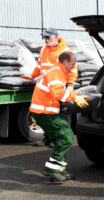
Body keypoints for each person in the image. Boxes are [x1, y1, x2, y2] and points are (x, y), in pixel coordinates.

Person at [29, 51, 89, 183]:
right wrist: (74, 97)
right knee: (67, 137)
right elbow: (57, 94)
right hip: (45, 113)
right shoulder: (57, 72)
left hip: (43, 112)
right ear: (65, 62)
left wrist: (75, 95)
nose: (73, 67)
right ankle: (51, 169)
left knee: (60, 140)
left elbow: (58, 92)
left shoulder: (59, 70)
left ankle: (60, 171)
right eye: (72, 64)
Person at [21, 27, 79, 147]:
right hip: (46, 89)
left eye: (48, 37)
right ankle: (48, 139)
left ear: (56, 37)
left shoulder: (65, 51)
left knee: (62, 114)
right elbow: (39, 65)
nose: (46, 39)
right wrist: (32, 75)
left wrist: (71, 85)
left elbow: (72, 69)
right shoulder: (43, 50)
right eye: (44, 37)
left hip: (58, 87)